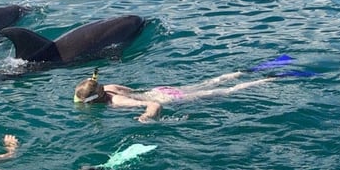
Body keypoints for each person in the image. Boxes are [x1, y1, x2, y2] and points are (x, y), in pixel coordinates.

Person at [74, 67, 276, 122]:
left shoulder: (115, 101)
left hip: (168, 98)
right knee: (210, 82)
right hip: (161, 89)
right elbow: (137, 92)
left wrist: (146, 117)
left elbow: (154, 106)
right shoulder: (109, 87)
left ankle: (267, 80)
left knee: (225, 92)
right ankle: (242, 72)